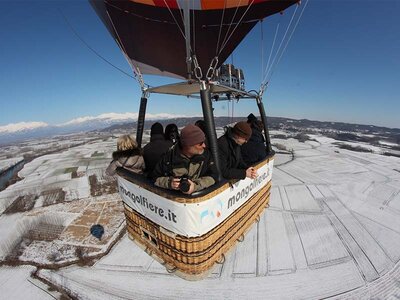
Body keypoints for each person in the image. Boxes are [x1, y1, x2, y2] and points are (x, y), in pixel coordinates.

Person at [152, 124, 218, 195]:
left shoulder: (206, 156)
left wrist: (196, 186)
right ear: (188, 146)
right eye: (200, 143)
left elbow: (214, 176)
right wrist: (169, 183)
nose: (204, 146)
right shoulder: (168, 158)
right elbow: (154, 178)